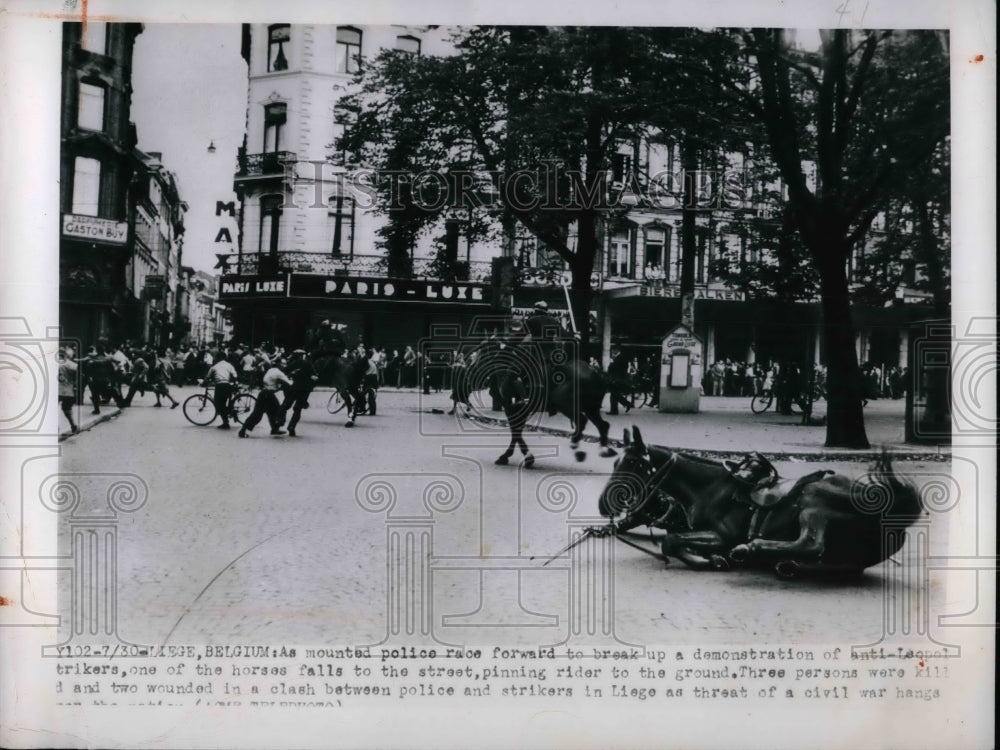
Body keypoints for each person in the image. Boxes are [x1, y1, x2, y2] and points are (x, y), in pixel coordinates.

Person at [239, 359, 292, 437]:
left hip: (264, 393)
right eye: (283, 364)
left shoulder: (271, 370)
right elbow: (289, 383)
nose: (285, 366)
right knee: (278, 411)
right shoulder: (279, 373)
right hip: (268, 394)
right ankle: (243, 431)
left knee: (266, 412)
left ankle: (274, 429)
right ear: (278, 364)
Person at [281, 350, 319, 436]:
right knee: (297, 409)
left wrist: (291, 375)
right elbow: (315, 376)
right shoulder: (308, 364)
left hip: (294, 388)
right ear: (302, 356)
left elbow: (284, 373)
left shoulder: (292, 364)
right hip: (304, 390)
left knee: (286, 405)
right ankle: (291, 426)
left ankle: (279, 421)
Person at [204, 352, 239, 429]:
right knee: (223, 404)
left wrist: (204, 382)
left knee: (219, 404)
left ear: (217, 358)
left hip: (219, 386)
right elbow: (235, 375)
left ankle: (226, 423)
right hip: (228, 386)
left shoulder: (214, 367)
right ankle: (230, 412)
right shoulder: (229, 365)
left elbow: (207, 377)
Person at [57, 346, 79, 434]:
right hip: (69, 391)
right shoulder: (73, 365)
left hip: (57, 390)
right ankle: (73, 425)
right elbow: (78, 378)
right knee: (67, 409)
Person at [607, 349, 632, 415]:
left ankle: (614, 411)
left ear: (616, 352)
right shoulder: (621, 358)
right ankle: (627, 404)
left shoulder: (618, 359)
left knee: (614, 395)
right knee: (615, 395)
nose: (612, 354)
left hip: (617, 380)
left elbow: (612, 368)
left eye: (613, 352)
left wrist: (611, 363)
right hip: (619, 379)